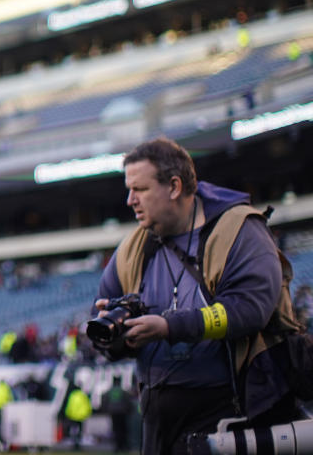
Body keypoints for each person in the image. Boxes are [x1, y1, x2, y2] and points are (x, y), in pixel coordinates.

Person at [92, 137, 281, 454]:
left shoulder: (238, 229)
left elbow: (250, 310)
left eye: (140, 189)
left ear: (175, 186)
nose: (130, 200)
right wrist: (113, 338)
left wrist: (168, 327)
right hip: (156, 416)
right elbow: (100, 322)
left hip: (230, 410)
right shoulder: (132, 247)